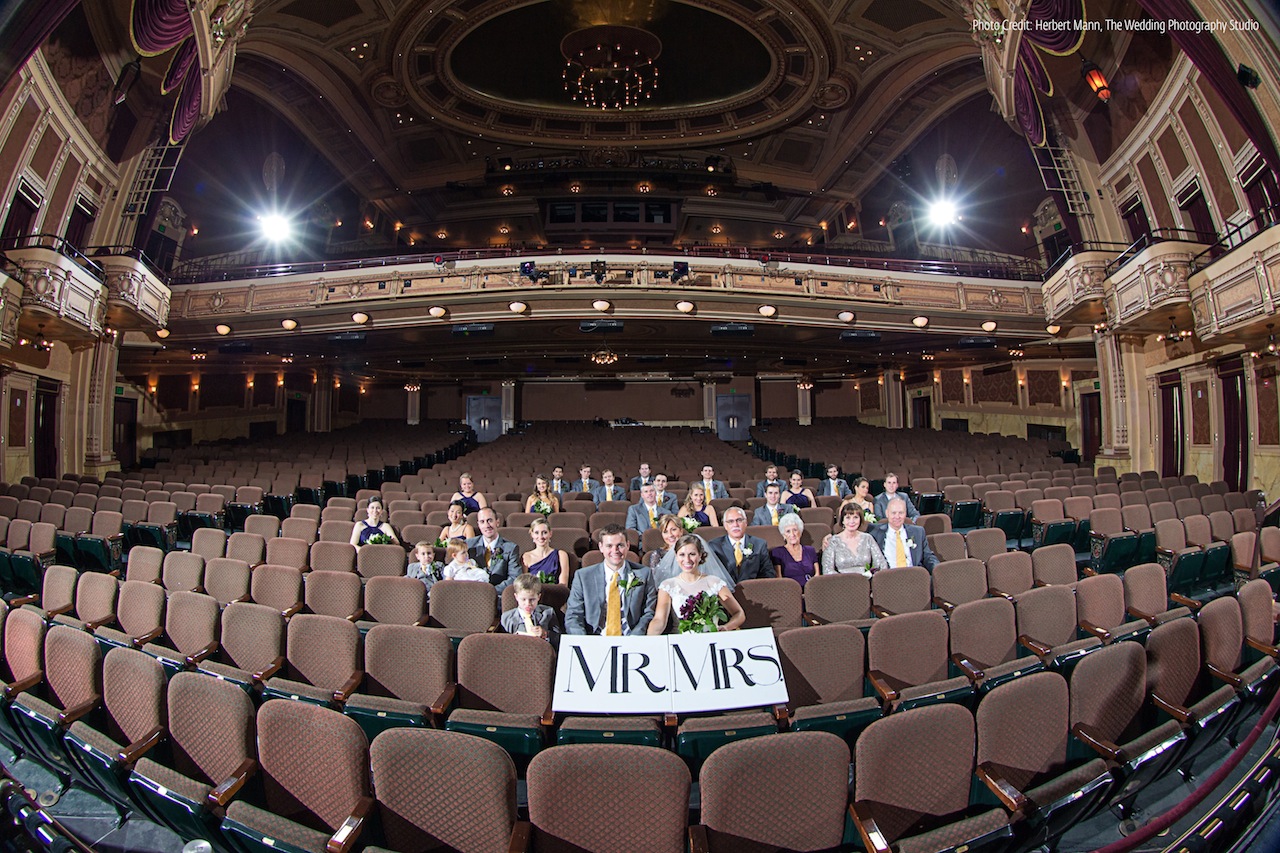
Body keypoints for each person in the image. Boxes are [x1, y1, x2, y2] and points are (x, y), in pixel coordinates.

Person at [564, 525, 657, 636]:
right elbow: (573, 615)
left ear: (627, 545)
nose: (615, 550)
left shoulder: (644, 574)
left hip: (631, 638)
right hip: (594, 639)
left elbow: (648, 613)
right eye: (609, 546)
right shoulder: (583, 576)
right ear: (601, 547)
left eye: (620, 545)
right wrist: (584, 642)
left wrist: (635, 639)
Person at [647, 534, 746, 635]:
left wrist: (726, 627)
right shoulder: (668, 586)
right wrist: (650, 639)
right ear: (676, 557)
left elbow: (739, 613)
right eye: (682, 555)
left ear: (700, 555)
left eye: (692, 554)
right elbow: (659, 620)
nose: (687, 560)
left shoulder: (714, 582)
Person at [870, 497, 938, 571]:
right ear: (887, 513)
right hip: (888, 577)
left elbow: (928, 556)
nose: (897, 516)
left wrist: (937, 568)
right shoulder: (875, 533)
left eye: (901, 513)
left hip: (914, 575)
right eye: (893, 513)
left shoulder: (918, 532)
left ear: (905, 513)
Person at [823, 504, 889, 575]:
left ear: (860, 520)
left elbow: (881, 564)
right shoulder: (833, 541)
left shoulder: (867, 538)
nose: (852, 521)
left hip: (867, 582)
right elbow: (827, 570)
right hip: (841, 583)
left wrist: (871, 575)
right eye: (848, 517)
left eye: (855, 517)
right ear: (842, 520)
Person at [709, 507, 770, 583]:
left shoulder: (759, 544)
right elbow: (711, 575)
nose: (735, 524)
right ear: (725, 525)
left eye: (739, 520)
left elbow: (768, 574)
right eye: (730, 521)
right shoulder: (714, 546)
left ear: (746, 523)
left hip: (753, 590)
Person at [466, 507, 521, 591]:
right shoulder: (468, 545)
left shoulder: (511, 548)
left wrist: (491, 591)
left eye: (490, 520)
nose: (487, 525)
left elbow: (514, 578)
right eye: (482, 522)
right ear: (478, 525)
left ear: (497, 522)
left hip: (498, 595)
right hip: (472, 594)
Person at [500, 573, 561, 648]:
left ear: (538, 597)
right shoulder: (507, 617)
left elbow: (559, 639)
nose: (528, 604)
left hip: (541, 653)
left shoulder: (548, 613)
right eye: (523, 599)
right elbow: (501, 642)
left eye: (532, 600)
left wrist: (546, 634)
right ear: (516, 597)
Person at [771, 514, 819, 587]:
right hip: (789, 591)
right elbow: (779, 578)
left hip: (811, 590)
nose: (792, 534)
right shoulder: (777, 552)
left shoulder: (810, 550)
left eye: (795, 530)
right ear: (784, 535)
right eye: (788, 531)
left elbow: (817, 575)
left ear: (800, 532)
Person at [521, 516, 570, 585]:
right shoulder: (526, 556)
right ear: (532, 534)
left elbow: (563, 586)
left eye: (544, 532)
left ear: (550, 533)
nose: (541, 537)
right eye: (536, 533)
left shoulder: (561, 555)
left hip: (555, 593)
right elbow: (525, 585)